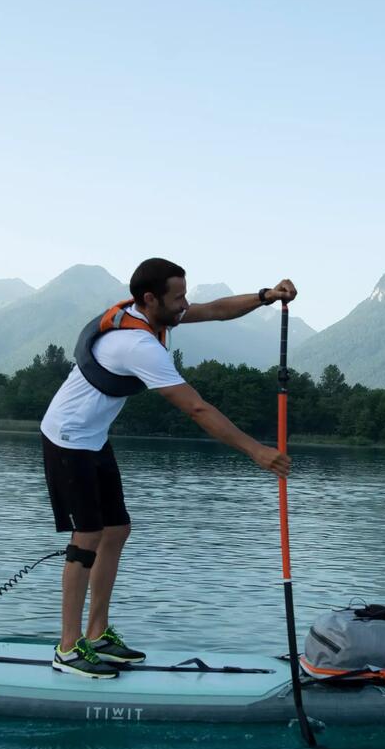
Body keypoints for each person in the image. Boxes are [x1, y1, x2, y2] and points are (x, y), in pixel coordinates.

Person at [39, 257, 295, 678]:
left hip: (93, 438)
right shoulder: (137, 345)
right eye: (178, 298)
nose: (185, 304)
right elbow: (196, 407)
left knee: (116, 529)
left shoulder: (153, 315)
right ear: (150, 298)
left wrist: (266, 296)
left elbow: (214, 310)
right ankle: (67, 648)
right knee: (86, 536)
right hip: (66, 438)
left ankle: (97, 632)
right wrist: (256, 451)